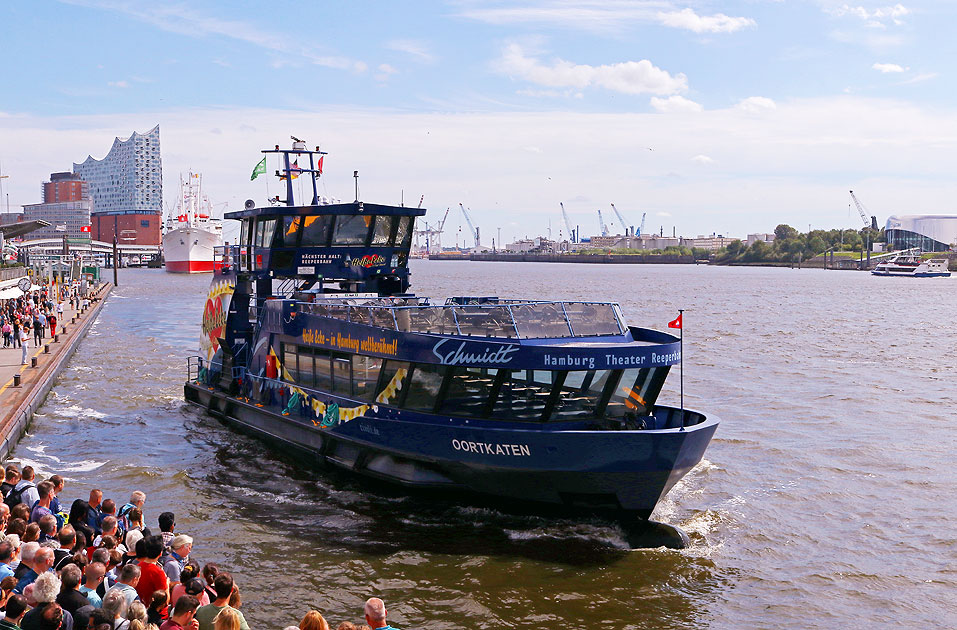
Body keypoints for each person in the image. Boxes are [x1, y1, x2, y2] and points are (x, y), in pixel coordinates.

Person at [132, 537, 166, 605]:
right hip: (154, 610)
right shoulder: (158, 572)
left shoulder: (136, 567)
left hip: (139, 606)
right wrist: (167, 583)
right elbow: (164, 601)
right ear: (160, 553)